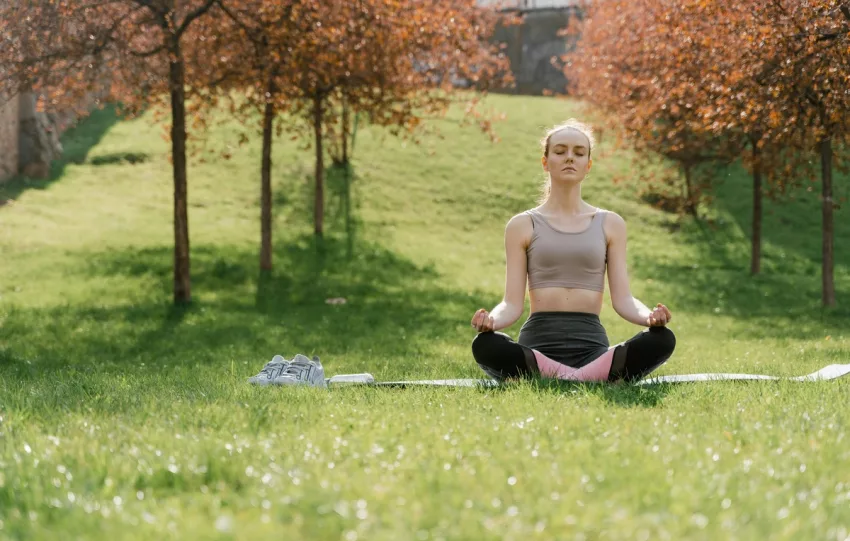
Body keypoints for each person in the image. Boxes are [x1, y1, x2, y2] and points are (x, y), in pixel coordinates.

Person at [470, 119, 676, 383]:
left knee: (662, 339)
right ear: (545, 162)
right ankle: (590, 378)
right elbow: (511, 304)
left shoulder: (610, 223)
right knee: (485, 345)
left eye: (579, 153)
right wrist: (491, 322)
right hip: (537, 348)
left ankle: (557, 377)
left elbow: (623, 299)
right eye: (560, 151)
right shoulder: (522, 225)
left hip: (592, 347)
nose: (570, 158)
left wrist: (649, 317)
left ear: (588, 165)